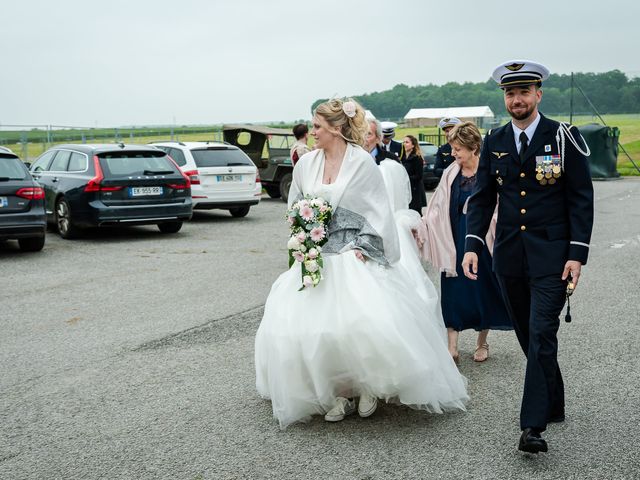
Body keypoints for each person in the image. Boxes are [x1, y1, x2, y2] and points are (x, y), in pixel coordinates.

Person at [255, 98, 468, 429]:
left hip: (354, 250)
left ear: (336, 129)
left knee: (361, 322)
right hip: (317, 255)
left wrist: (366, 245)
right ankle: (337, 392)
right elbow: (296, 205)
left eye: (317, 127)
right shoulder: (305, 164)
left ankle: (366, 386)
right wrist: (304, 237)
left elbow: (377, 210)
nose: (312, 133)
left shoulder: (361, 164)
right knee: (315, 329)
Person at [461, 60, 594, 454]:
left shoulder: (562, 138)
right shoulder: (495, 140)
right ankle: (553, 400)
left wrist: (577, 254)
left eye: (523, 92)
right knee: (527, 335)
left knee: (541, 332)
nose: (516, 99)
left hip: (552, 257)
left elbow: (581, 199)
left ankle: (531, 427)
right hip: (509, 258)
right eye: (509, 93)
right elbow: (482, 197)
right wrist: (472, 245)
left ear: (538, 94)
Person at [421, 122, 511, 364]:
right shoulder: (451, 173)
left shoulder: (488, 171)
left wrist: (487, 222)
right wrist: (422, 225)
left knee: (483, 290)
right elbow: (437, 208)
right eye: (453, 149)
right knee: (453, 291)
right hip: (454, 239)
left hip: (482, 240)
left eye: (458, 149)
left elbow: (502, 207)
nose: (453, 154)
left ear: (473, 148)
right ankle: (452, 346)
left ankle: (482, 343)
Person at [399, 135, 427, 213]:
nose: (404, 144)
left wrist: (405, 179)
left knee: (416, 215)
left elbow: (419, 176)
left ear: (413, 145)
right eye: (403, 142)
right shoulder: (402, 157)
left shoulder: (417, 158)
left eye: (407, 142)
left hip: (415, 191)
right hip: (406, 191)